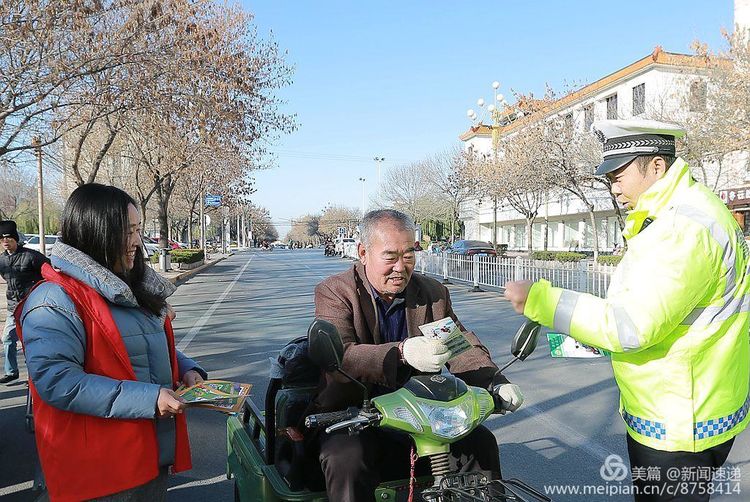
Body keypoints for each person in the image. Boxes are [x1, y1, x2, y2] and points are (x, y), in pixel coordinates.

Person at [504, 119, 750, 501]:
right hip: (693, 404)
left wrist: (540, 300)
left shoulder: (682, 228)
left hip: (678, 421)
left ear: (657, 166)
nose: (614, 188)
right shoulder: (690, 210)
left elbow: (630, 326)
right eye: (609, 179)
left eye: (619, 176)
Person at [312, 209, 524, 502]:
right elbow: (342, 355)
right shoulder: (335, 291)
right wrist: (402, 353)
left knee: (481, 442)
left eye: (409, 255)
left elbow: (460, 347)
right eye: (390, 256)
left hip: (424, 415)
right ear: (363, 253)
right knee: (345, 458)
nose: (401, 267)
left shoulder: (431, 293)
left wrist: (495, 382)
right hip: (356, 416)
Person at [18, 183, 207, 501]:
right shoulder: (54, 300)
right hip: (99, 471)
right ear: (96, 233)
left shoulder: (129, 287)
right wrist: (149, 399)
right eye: (127, 231)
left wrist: (186, 368)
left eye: (138, 230)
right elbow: (58, 382)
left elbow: (141, 345)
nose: (137, 241)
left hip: (148, 456)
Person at [0, 220, 49, 384]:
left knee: (30, 341)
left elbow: (48, 272)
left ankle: (34, 375)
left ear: (15, 239)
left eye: (8, 238)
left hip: (31, 307)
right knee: (7, 338)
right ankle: (11, 372)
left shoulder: (31, 256)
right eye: (2, 238)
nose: (5, 241)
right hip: (13, 307)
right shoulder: (1, 260)